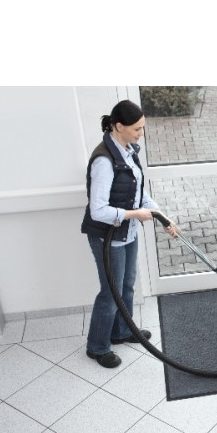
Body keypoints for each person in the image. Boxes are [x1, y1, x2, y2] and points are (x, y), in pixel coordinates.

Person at [81, 99, 177, 368]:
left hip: (127, 232)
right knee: (110, 292)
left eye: (142, 128)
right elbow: (98, 210)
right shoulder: (104, 160)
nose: (141, 134)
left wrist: (161, 216)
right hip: (107, 236)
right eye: (136, 129)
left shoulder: (127, 150)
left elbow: (138, 193)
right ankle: (97, 347)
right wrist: (136, 214)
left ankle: (122, 331)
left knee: (126, 285)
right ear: (118, 126)